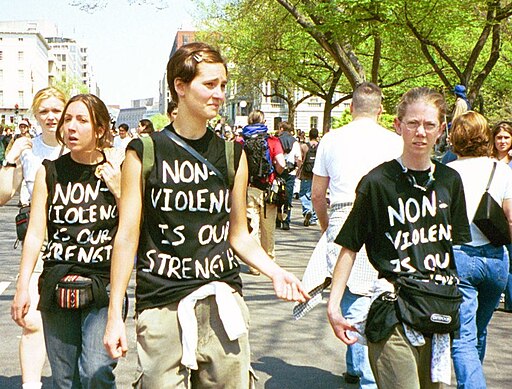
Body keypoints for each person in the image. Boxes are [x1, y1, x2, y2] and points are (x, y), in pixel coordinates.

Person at [103, 42, 309, 388]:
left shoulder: (232, 154)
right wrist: (114, 316)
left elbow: (239, 234)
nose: (219, 94)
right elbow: (126, 236)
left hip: (222, 303)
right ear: (180, 88)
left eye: (223, 85)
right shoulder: (145, 152)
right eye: (209, 84)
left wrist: (276, 272)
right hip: (162, 303)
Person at [327, 87, 471, 388]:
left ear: (441, 130)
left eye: (430, 125)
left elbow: (456, 250)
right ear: (397, 125)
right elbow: (350, 245)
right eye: (413, 123)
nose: (421, 132)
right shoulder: (378, 182)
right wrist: (334, 305)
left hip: (438, 311)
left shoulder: (450, 181)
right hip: (394, 308)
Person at [11, 93, 121, 388]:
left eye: (81, 120)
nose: (71, 127)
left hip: (101, 283)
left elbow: (133, 226)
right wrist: (23, 286)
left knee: (96, 370)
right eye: (68, 119)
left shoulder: (115, 170)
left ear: (99, 129)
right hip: (56, 283)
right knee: (65, 380)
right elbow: (35, 233)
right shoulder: (50, 171)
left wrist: (119, 189)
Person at [309, 82, 402, 388]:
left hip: (342, 214)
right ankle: (365, 373)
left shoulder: (331, 140)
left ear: (350, 107)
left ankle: (358, 368)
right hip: (384, 220)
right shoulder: (395, 142)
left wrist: (326, 226)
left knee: (350, 293)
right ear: (381, 109)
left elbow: (317, 194)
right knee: (375, 293)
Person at [0, 87, 67, 389]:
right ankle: (30, 385)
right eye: (44, 111)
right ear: (35, 115)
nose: (51, 116)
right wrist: (10, 158)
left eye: (56, 110)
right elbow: (3, 196)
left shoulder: (80, 145)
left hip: (74, 239)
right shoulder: (27, 149)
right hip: (37, 242)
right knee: (31, 320)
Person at [447, 112, 512, 388]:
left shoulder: (447, 173)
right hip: (496, 260)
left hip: (461, 257)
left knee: (463, 338)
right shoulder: (502, 170)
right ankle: (474, 379)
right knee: (479, 330)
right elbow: (509, 216)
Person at [243, 110, 286, 275]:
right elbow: (281, 164)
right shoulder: (272, 141)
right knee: (268, 229)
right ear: (264, 122)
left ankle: (254, 265)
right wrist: (276, 170)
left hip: (249, 188)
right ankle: (268, 261)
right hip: (268, 190)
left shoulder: (242, 141)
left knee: (252, 227)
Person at [492, 121, 512, 312]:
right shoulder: (488, 160)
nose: (502, 141)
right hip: (491, 219)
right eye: (499, 137)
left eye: (506, 137)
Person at [277, 121, 301, 230]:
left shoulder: (277, 140)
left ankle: (277, 219)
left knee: (276, 195)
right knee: (288, 197)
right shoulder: (295, 142)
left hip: (278, 171)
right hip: (290, 172)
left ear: (281, 129)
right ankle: (286, 221)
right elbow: (299, 158)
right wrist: (297, 168)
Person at [298, 128, 319, 227]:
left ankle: (307, 210)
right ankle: (314, 217)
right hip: (317, 174)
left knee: (304, 193)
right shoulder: (321, 146)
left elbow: (300, 160)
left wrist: (298, 170)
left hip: (306, 173)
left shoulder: (304, 146)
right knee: (315, 195)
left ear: (309, 135)